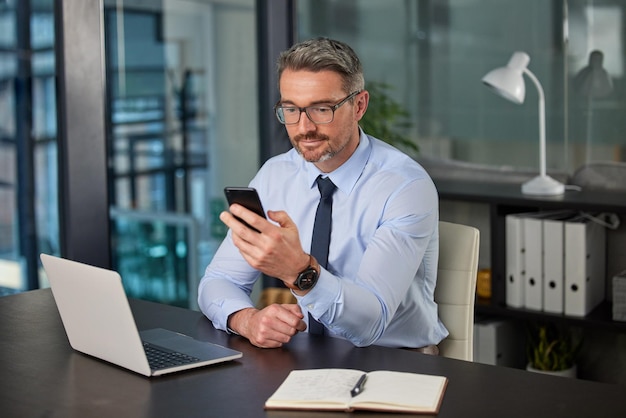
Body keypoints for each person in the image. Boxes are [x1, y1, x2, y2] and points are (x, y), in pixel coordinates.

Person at [198, 37, 448, 352]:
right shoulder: (276, 175)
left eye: (321, 108)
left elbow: (371, 323)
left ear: (359, 106)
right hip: (306, 356)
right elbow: (217, 281)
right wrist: (247, 320)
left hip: (396, 361)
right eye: (291, 109)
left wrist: (299, 270)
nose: (304, 127)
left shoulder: (405, 186)